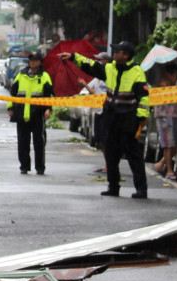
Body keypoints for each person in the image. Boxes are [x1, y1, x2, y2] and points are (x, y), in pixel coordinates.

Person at [59, 41, 150, 198]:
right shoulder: (110, 68)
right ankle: (113, 187)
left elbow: (143, 97)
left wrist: (142, 117)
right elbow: (90, 65)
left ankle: (141, 189)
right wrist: (73, 57)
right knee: (111, 155)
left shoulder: (137, 72)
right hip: (112, 117)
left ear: (126, 55)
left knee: (134, 155)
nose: (114, 54)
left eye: (118, 51)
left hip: (129, 119)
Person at [7, 52, 54, 174]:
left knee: (39, 142)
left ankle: (40, 168)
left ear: (40, 62)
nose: (32, 62)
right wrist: (10, 107)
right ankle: (24, 166)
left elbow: (50, 95)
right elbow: (13, 92)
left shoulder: (44, 76)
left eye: (35, 60)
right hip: (22, 113)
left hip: (38, 114)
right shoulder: (21, 75)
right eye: (31, 60)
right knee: (23, 142)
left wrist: (48, 109)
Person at [152, 63, 177, 178]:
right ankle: (169, 170)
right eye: (175, 76)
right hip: (164, 117)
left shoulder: (175, 86)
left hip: (176, 116)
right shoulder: (160, 86)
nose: (176, 78)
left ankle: (160, 164)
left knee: (175, 145)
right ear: (168, 74)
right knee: (168, 145)